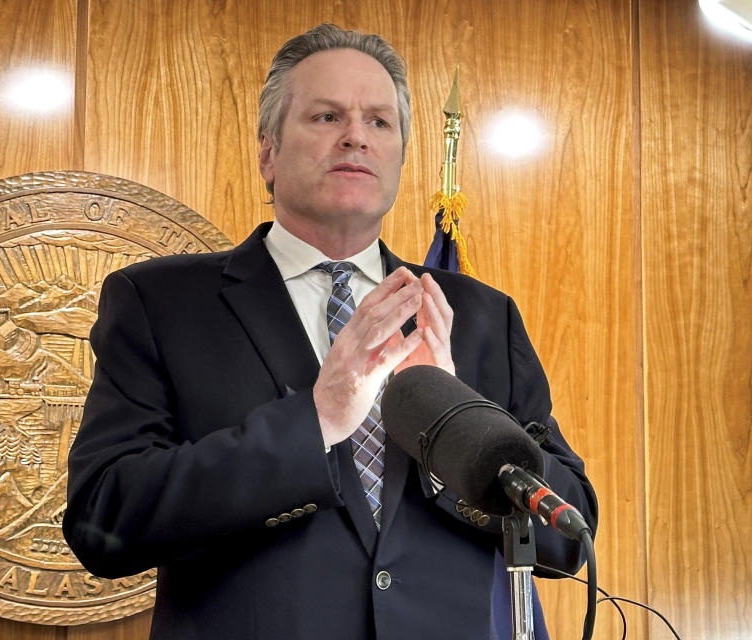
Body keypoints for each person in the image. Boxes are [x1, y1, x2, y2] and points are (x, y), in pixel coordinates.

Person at [64, 23, 597, 640]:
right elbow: (104, 520)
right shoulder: (159, 302)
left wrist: (459, 424)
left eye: (379, 122)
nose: (355, 138)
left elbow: (568, 536)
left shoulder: (479, 314)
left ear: (398, 153)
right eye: (325, 117)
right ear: (268, 151)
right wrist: (315, 422)